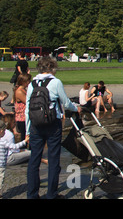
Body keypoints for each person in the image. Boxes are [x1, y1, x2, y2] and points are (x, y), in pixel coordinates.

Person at [25, 56, 81, 199]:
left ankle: (32, 194)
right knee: (54, 159)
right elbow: (66, 103)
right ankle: (51, 194)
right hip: (52, 124)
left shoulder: (32, 84)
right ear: (52, 67)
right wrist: (76, 108)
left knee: (34, 160)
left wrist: (27, 131)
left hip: (35, 125)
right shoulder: (55, 82)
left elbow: (27, 109)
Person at [0, 119, 29, 197]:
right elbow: (14, 147)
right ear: (1, 131)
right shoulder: (3, 142)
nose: (5, 132)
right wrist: (24, 141)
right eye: (4, 131)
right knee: (0, 180)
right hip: (1, 166)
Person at [13, 73, 31, 141]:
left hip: (24, 116)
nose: (29, 82)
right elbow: (28, 102)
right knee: (23, 137)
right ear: (24, 81)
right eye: (28, 81)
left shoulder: (23, 90)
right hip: (21, 118)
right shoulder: (19, 91)